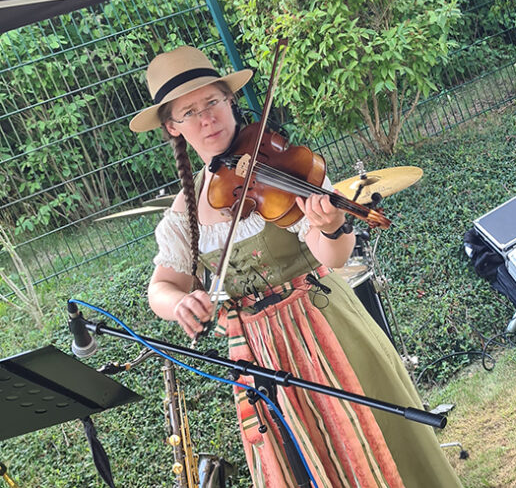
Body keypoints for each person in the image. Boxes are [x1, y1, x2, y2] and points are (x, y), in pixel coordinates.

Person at [130, 46, 462, 488]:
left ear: (230, 102)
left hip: (323, 323)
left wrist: (329, 225)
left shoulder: (286, 165)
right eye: (189, 111)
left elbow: (334, 257)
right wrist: (178, 303)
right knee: (301, 460)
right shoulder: (182, 215)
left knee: (375, 439)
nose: (206, 118)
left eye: (212, 102)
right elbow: (162, 285)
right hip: (256, 351)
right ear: (172, 126)